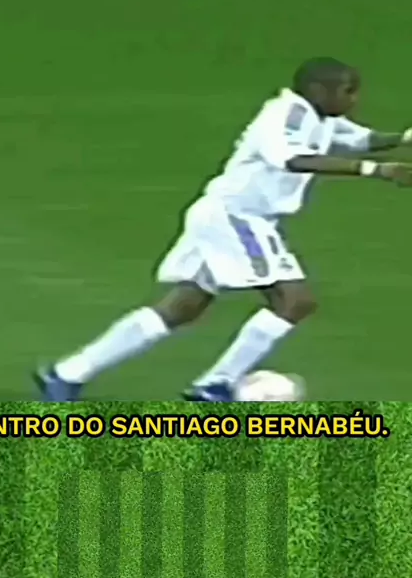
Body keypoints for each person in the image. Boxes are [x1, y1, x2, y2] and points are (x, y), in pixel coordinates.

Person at [35, 57, 412, 402]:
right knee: (295, 300)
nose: (355, 99)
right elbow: (293, 159)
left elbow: (361, 139)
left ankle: (67, 373)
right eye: (348, 91)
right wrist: (376, 171)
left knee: (183, 306)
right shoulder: (286, 116)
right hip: (238, 217)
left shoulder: (322, 118)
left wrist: (403, 139)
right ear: (318, 89)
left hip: (224, 215)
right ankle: (215, 385)